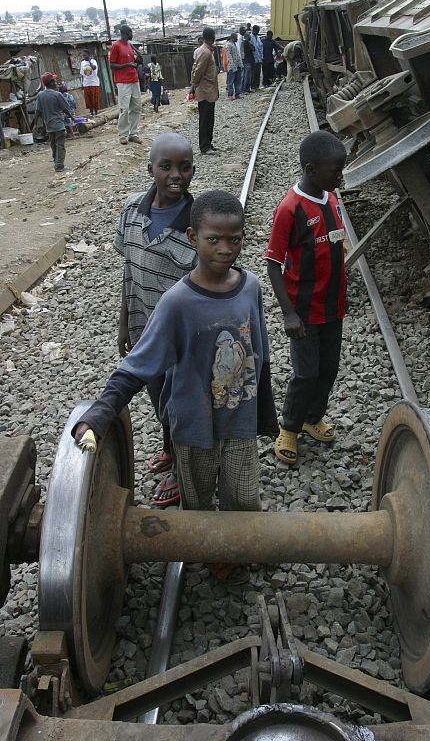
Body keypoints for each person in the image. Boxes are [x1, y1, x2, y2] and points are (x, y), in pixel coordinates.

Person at [73, 190, 278, 584]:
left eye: (234, 239)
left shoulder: (250, 286)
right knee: (198, 499)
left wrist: (263, 414)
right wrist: (100, 413)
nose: (224, 248)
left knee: (243, 495)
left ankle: (238, 546)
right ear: (192, 238)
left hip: (239, 421)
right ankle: (206, 550)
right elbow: (138, 366)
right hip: (193, 427)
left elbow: (260, 351)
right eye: (213, 239)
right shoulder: (177, 303)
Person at [114, 132, 197, 506]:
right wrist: (123, 323)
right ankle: (169, 447)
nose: (175, 175)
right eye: (166, 167)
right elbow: (129, 271)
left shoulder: (198, 227)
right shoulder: (131, 211)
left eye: (184, 167)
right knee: (158, 398)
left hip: (181, 342)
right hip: (143, 331)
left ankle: (183, 470)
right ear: (151, 169)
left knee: (179, 404)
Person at [264, 130, 347, 465]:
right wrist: (288, 314)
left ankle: (314, 417)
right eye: (335, 170)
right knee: (305, 373)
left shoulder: (332, 197)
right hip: (304, 310)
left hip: (333, 306)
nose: (340, 176)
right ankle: (290, 427)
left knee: (328, 369)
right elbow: (272, 263)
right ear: (311, 170)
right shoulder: (290, 208)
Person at [35, 72, 75, 172]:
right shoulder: (57, 95)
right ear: (51, 82)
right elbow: (66, 109)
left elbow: (37, 111)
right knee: (60, 145)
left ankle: (56, 161)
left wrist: (35, 124)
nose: (56, 82)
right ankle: (59, 165)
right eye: (54, 80)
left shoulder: (40, 95)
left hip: (49, 125)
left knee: (53, 145)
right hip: (58, 124)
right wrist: (72, 118)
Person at [109, 25, 142, 146]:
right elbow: (112, 64)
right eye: (131, 32)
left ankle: (133, 133)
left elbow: (134, 62)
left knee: (137, 107)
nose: (132, 34)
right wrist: (126, 65)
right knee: (124, 108)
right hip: (123, 81)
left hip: (134, 79)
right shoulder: (116, 46)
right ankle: (123, 135)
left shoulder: (129, 45)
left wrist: (138, 58)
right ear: (126, 33)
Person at [190, 27, 219, 156]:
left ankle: (208, 143)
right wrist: (195, 85)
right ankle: (204, 146)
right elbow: (198, 70)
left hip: (208, 90)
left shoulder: (205, 50)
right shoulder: (206, 52)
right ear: (212, 38)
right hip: (205, 90)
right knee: (205, 119)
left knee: (209, 118)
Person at [80, 49, 100, 116]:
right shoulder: (82, 63)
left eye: (85, 55)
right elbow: (82, 74)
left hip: (94, 82)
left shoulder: (93, 61)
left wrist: (89, 61)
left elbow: (94, 68)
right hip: (86, 83)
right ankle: (91, 112)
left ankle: (96, 112)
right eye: (83, 55)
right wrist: (82, 83)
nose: (84, 56)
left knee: (95, 98)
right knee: (88, 99)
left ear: (88, 55)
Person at [225, 33, 242, 100]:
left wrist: (240, 64)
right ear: (233, 37)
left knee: (238, 81)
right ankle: (230, 95)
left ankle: (237, 94)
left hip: (237, 65)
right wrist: (233, 67)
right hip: (232, 67)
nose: (237, 39)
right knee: (230, 81)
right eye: (236, 37)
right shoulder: (228, 45)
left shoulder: (234, 44)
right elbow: (229, 57)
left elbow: (238, 55)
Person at [250, 25, 263, 90]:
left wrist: (261, 57)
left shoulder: (258, 38)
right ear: (254, 30)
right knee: (253, 74)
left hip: (259, 59)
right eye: (257, 31)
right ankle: (253, 86)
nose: (258, 32)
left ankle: (257, 86)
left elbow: (260, 48)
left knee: (258, 73)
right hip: (253, 59)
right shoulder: (250, 37)